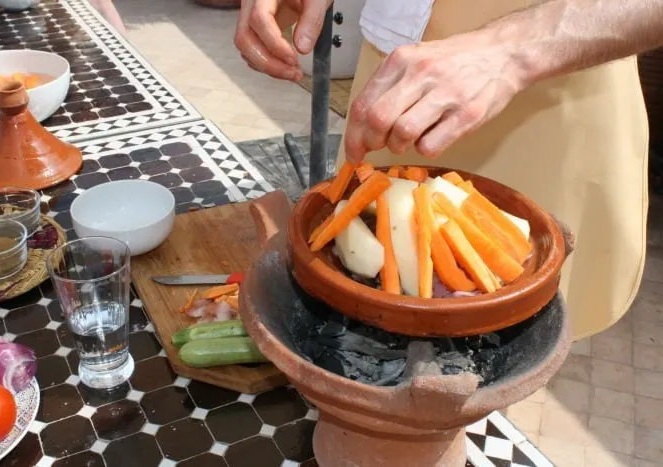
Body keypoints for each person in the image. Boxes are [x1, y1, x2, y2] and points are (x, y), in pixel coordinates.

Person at [235, 0, 662, 340]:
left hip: (547, 102)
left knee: (505, 339)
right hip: (397, 88)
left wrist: (508, 51)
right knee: (373, 309)